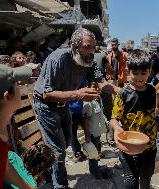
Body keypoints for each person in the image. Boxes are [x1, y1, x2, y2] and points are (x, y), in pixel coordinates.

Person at [33, 27, 117, 189]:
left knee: (63, 145)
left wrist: (125, 92)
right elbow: (47, 94)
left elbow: (102, 83)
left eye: (93, 47)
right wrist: (78, 94)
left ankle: (48, 173)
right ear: (73, 46)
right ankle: (61, 185)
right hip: (46, 107)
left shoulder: (88, 60)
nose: (91, 51)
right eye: (87, 47)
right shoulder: (58, 59)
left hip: (64, 106)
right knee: (58, 149)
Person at [110, 49, 157, 189]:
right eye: (135, 73)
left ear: (149, 71)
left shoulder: (152, 91)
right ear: (128, 71)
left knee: (146, 178)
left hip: (149, 145)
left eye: (144, 73)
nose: (139, 77)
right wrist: (117, 127)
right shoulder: (124, 94)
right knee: (131, 181)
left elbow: (155, 114)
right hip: (128, 145)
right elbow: (113, 118)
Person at [0, 62, 34, 189]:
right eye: (17, 86)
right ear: (7, 96)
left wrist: (27, 187)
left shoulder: (1, 128)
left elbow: (4, 165)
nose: (20, 90)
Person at [82, 82, 109, 179]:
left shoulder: (98, 99)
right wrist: (87, 135)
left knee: (96, 151)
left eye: (98, 87)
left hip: (98, 131)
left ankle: (95, 168)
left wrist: (106, 124)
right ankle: (94, 171)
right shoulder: (87, 103)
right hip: (92, 133)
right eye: (94, 87)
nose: (97, 89)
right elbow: (85, 120)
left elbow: (101, 113)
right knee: (92, 154)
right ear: (88, 88)